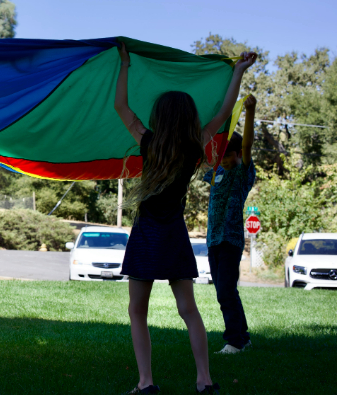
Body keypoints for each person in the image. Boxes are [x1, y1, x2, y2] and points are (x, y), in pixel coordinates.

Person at [114, 42, 256, 394]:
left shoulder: (147, 142)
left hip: (147, 231)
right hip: (174, 231)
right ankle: (204, 380)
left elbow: (121, 106)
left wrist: (125, 65)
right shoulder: (196, 146)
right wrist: (238, 70)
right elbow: (224, 111)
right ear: (189, 118)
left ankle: (146, 382)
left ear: (159, 118)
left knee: (137, 311)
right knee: (188, 310)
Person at [202, 95, 257, 354]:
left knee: (225, 290)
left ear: (236, 155)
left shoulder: (241, 171)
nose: (224, 160)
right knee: (225, 291)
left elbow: (247, 146)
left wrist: (250, 112)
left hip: (231, 240)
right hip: (212, 241)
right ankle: (243, 338)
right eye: (220, 156)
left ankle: (234, 341)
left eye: (228, 156)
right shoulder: (216, 173)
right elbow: (202, 152)